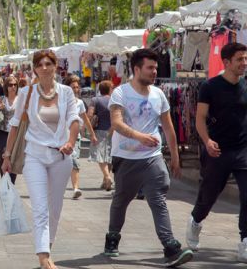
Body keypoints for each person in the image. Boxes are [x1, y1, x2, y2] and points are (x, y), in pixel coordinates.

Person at [103, 49, 193, 267]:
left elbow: (169, 127)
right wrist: (139, 136)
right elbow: (116, 122)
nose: (155, 72)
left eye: (155, 68)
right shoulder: (120, 93)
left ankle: (170, 246)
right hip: (125, 157)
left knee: (158, 198)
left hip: (152, 156)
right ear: (136, 69)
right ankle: (112, 237)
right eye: (150, 68)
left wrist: (175, 156)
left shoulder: (159, 94)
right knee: (122, 200)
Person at [1, 50, 81, 269]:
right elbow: (15, 125)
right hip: (34, 155)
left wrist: (71, 142)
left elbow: (74, 120)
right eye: (40, 64)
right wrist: (7, 156)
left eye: (49, 63)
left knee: (55, 208)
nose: (44, 67)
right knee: (40, 208)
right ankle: (43, 257)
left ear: (56, 66)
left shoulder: (66, 93)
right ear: (34, 68)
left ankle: (48, 246)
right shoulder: (26, 93)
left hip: (60, 156)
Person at [186, 42, 247, 261]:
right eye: (240, 59)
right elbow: (200, 118)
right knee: (208, 196)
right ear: (227, 62)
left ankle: (245, 242)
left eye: (246, 58)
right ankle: (195, 221)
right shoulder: (210, 87)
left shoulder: (246, 85)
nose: (244, 63)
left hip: (242, 150)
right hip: (217, 150)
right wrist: (207, 141)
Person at [65, 74, 98, 199]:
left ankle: (75, 188)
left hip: (75, 137)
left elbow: (85, 119)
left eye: (77, 87)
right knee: (61, 163)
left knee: (75, 162)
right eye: (73, 87)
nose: (76, 90)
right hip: (62, 137)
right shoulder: (61, 101)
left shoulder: (79, 103)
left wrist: (92, 135)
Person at [89, 80, 114, 191]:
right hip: (113, 131)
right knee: (109, 155)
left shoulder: (95, 100)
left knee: (100, 155)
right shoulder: (114, 100)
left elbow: (89, 114)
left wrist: (88, 128)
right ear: (110, 89)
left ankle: (107, 177)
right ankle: (105, 180)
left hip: (99, 130)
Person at [0, 75, 18, 182]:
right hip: (3, 131)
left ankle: (11, 181)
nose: (13, 87)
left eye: (15, 85)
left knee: (13, 156)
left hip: (16, 132)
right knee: (4, 154)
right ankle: (4, 180)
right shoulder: (1, 99)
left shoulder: (20, 99)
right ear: (6, 87)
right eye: (10, 85)